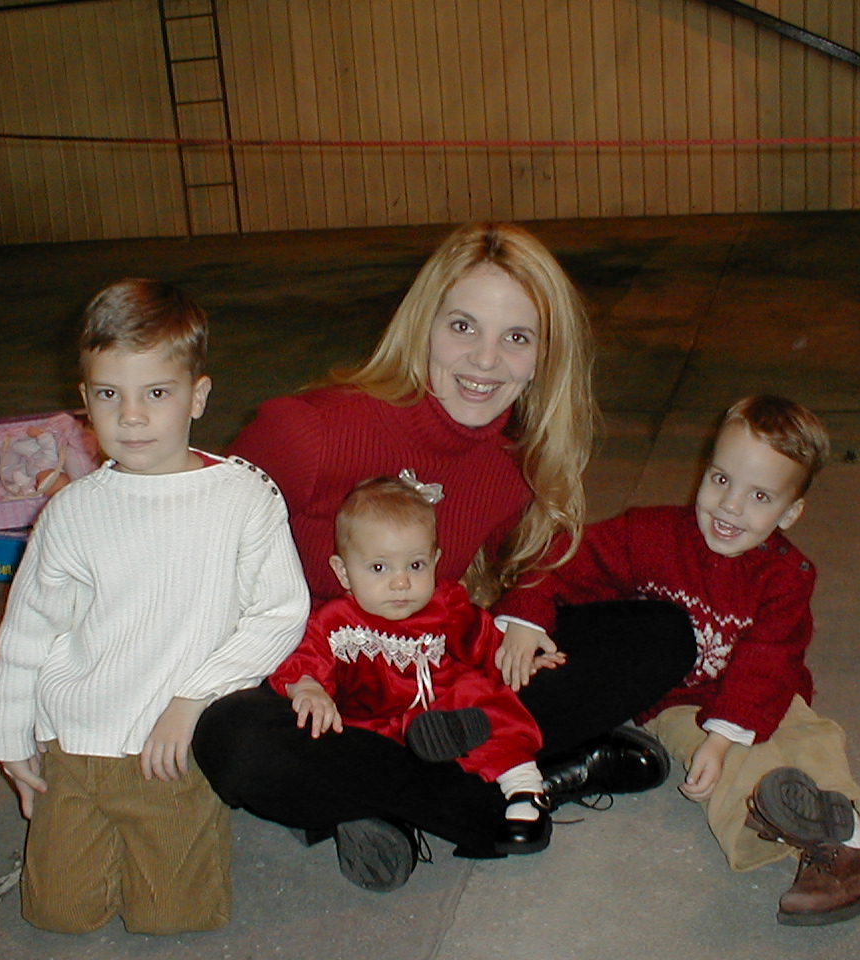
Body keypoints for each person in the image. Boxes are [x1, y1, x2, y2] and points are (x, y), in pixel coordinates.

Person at [192, 222, 695, 891]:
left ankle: (379, 796)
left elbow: (539, 558)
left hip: (432, 681)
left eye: (517, 338)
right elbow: (196, 535)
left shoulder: (517, 458)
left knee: (660, 635)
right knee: (234, 742)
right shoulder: (309, 431)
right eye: (463, 327)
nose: (485, 361)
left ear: (544, 356)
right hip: (311, 686)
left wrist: (525, 616)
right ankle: (500, 796)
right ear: (423, 325)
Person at [0, 278, 309, 934]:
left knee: (172, 919)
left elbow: (278, 614)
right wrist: (10, 732)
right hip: (76, 743)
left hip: (171, 750)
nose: (131, 417)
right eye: (109, 395)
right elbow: (27, 630)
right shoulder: (71, 511)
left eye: (156, 393)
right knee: (57, 915)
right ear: (84, 401)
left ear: (198, 396)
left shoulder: (244, 498)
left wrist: (193, 700)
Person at [492, 395, 860, 926]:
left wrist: (729, 733)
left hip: (766, 690)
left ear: (791, 512)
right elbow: (566, 558)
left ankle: (849, 839)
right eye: (721, 480)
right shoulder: (651, 535)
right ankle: (790, 835)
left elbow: (768, 661)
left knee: (810, 736)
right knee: (728, 771)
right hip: (682, 702)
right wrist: (526, 617)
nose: (730, 507)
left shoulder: (787, 577)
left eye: (760, 496)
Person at [271, 475, 552, 862]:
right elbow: (302, 656)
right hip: (373, 725)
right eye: (379, 568)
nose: (401, 582)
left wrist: (520, 657)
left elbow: (482, 640)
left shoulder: (446, 605)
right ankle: (373, 814)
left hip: (441, 708)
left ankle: (524, 787)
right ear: (343, 571)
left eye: (416, 565)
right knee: (331, 745)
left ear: (435, 561)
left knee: (481, 694)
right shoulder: (334, 621)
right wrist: (307, 687)